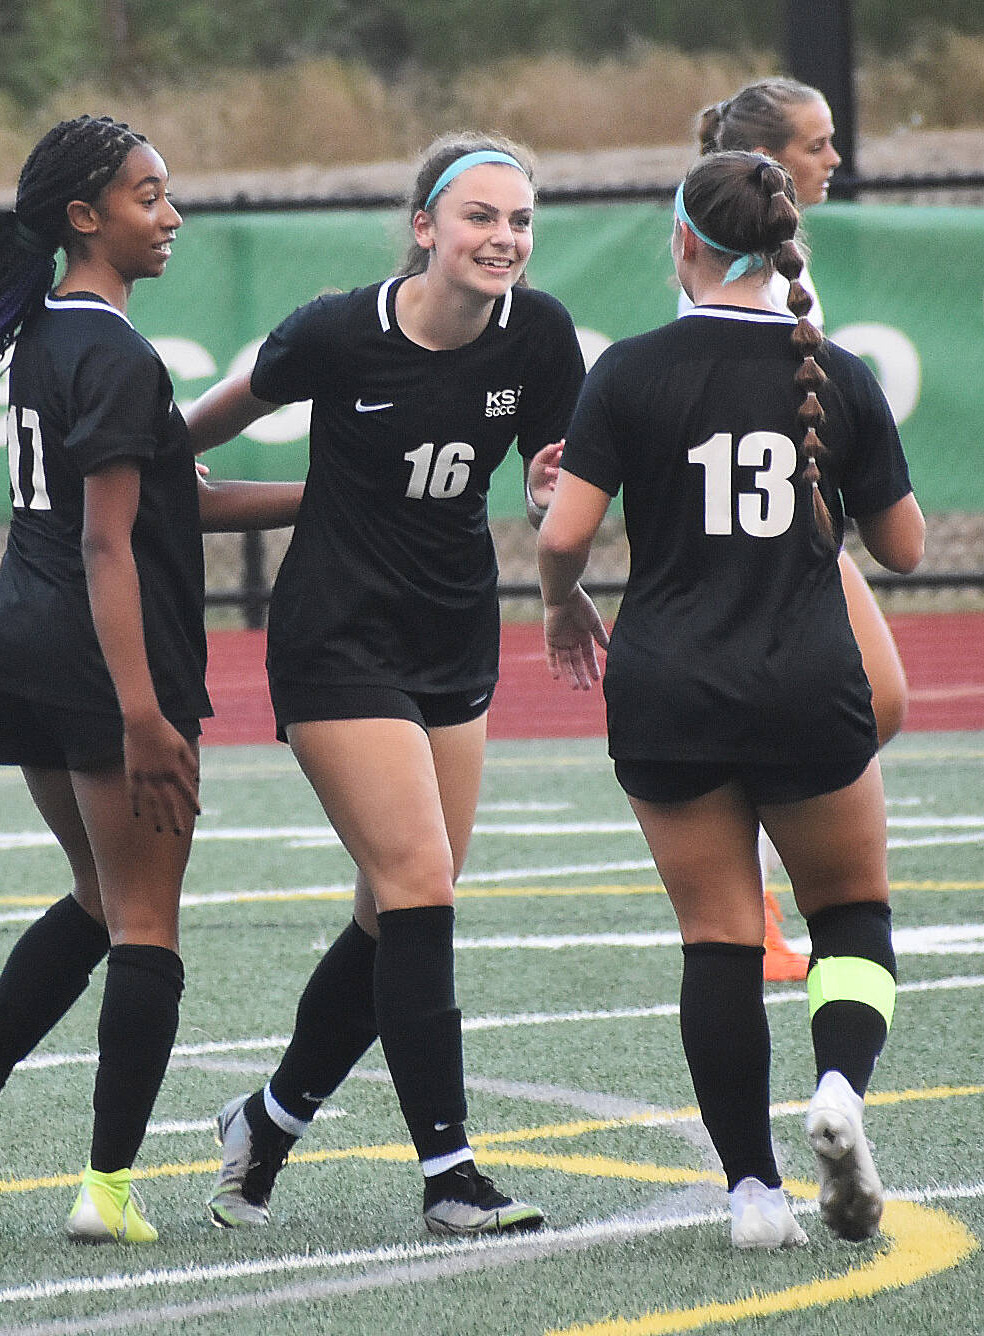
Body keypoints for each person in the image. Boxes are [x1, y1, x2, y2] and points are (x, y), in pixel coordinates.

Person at [0, 114, 301, 1244]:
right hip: (103, 662)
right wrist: (147, 713)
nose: (173, 215)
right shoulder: (112, 351)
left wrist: (338, 493)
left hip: (24, 647)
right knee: (148, 922)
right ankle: (106, 1190)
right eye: (150, 195)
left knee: (102, 901)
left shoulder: (54, 336)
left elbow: (180, 502)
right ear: (84, 215)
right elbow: (112, 545)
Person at [183, 132, 599, 1236]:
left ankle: (267, 1122)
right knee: (420, 880)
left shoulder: (543, 335)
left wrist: (558, 510)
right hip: (335, 636)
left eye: (520, 221)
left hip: (453, 632)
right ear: (425, 227)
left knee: (392, 908)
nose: (503, 238)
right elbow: (219, 411)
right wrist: (154, 456)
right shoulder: (338, 329)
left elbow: (552, 496)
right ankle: (450, 1172)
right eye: (479, 217)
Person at [536, 151, 924, 1249]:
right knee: (850, 914)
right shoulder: (836, 371)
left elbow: (565, 533)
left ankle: (752, 1194)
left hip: (668, 686)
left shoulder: (630, 368)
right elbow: (901, 548)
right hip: (805, 678)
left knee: (717, 938)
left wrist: (564, 604)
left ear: (684, 244)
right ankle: (841, 1087)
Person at [684, 78, 911, 981]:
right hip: (755, 536)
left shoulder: (780, 258)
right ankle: (761, 886)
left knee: (878, 701)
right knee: (858, 700)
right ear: (772, 158)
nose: (833, 159)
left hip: (788, 523)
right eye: (817, 144)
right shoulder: (724, 252)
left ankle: (772, 868)